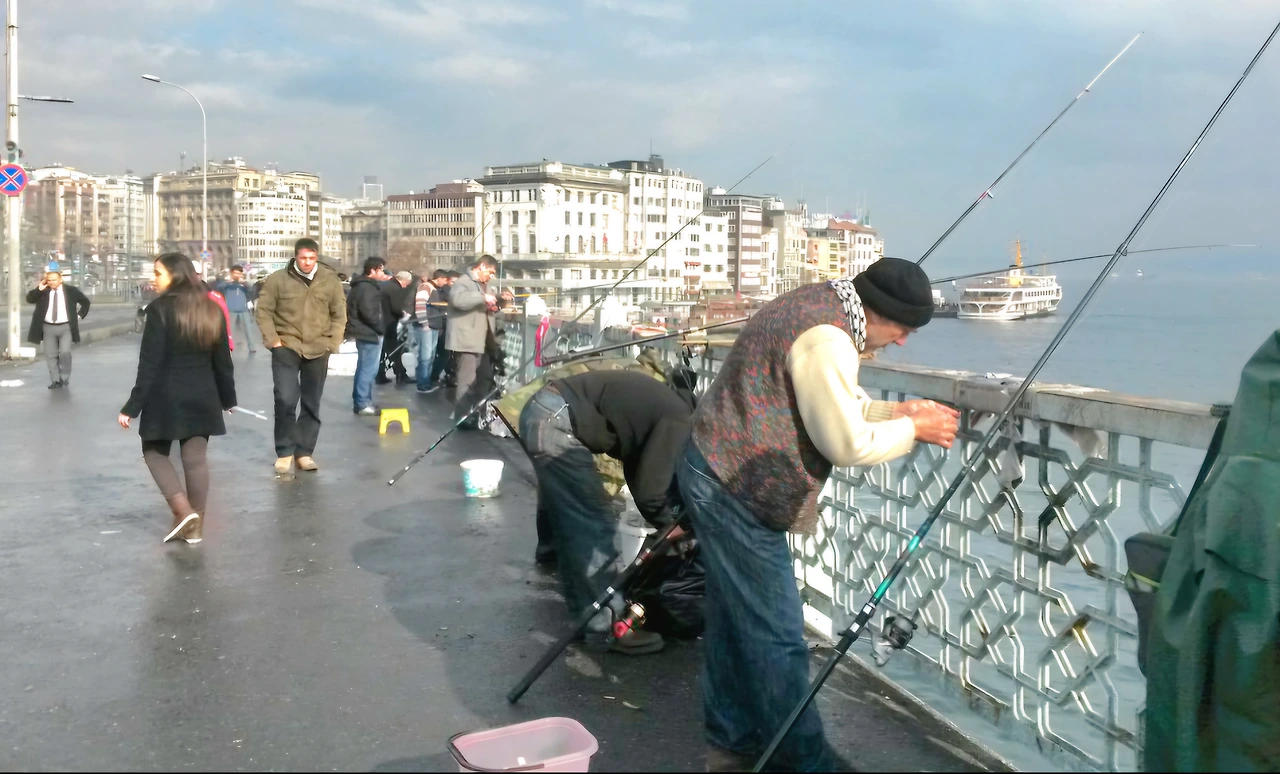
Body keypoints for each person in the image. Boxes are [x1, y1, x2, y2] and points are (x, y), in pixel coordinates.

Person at [675, 258, 960, 772]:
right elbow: (846, 443)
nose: (901, 342)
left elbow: (829, 403)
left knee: (734, 618)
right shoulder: (828, 337)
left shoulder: (820, 304)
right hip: (733, 484)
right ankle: (804, 761)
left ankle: (731, 741)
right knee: (779, 634)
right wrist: (913, 431)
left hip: (714, 465)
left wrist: (896, 412)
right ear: (879, 312)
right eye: (902, 330)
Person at [519, 369, 696, 655]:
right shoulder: (680, 422)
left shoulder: (666, 410)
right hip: (556, 421)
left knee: (569, 506)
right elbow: (651, 492)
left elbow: (641, 474)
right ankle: (607, 627)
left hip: (544, 411)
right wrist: (674, 525)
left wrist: (666, 520)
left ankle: (568, 582)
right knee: (594, 524)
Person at [118, 253, 236, 545]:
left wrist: (132, 406)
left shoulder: (159, 309)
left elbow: (150, 363)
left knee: (154, 452)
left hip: (166, 394)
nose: (154, 279)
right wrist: (227, 398)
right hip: (204, 394)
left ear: (175, 274)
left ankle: (183, 512)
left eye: (158, 273)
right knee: (195, 460)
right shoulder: (211, 308)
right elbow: (223, 360)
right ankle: (195, 527)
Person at [254, 237, 347, 475]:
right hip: (287, 345)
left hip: (319, 347)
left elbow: (339, 314)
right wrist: (273, 340)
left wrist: (332, 343)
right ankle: (284, 452)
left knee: (311, 402)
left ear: (316, 257)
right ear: (295, 257)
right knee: (285, 399)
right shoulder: (278, 280)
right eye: (303, 258)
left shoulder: (330, 280)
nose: (307, 262)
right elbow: (263, 311)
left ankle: (304, 452)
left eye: (311, 258)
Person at [449, 256, 511, 428]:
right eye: (490, 272)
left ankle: (479, 413)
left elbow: (487, 305)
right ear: (481, 266)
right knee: (467, 381)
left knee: (484, 378)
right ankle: (462, 418)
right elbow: (458, 300)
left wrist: (499, 299)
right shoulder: (463, 282)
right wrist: (483, 297)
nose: (491, 276)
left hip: (483, 342)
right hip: (467, 341)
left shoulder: (485, 285)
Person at [26, 270, 91, 389]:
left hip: (66, 327)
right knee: (50, 354)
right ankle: (55, 380)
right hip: (48, 327)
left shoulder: (71, 291)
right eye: (49, 280)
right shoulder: (43, 291)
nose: (51, 282)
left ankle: (64, 377)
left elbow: (85, 302)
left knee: (65, 353)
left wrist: (79, 316)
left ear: (60, 279)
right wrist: (39, 289)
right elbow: (29, 299)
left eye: (54, 280)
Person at [345, 257, 389, 415]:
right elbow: (369, 314)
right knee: (367, 369)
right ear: (372, 270)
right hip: (369, 333)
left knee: (366, 368)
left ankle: (363, 401)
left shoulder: (364, 286)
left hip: (366, 332)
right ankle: (362, 403)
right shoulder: (366, 288)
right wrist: (381, 328)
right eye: (381, 270)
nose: (383, 273)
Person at [377, 270, 416, 386]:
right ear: (403, 280)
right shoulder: (395, 288)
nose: (406, 286)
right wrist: (402, 314)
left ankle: (380, 374)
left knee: (383, 351)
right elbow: (395, 307)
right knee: (394, 350)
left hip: (382, 322)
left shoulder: (386, 286)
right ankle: (401, 374)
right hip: (389, 323)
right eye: (407, 283)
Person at [414, 269, 450, 393]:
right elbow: (420, 305)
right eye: (444, 280)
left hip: (433, 326)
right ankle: (423, 384)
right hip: (427, 326)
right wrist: (424, 323)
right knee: (425, 356)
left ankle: (426, 381)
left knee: (430, 355)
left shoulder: (434, 289)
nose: (445, 283)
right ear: (439, 278)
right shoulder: (426, 287)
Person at [215, 264, 258, 353]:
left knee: (248, 329)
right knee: (229, 330)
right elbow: (219, 287)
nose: (237, 275)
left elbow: (250, 289)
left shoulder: (243, 285)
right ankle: (227, 347)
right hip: (230, 309)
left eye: (239, 273)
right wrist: (228, 281)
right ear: (231, 273)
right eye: (235, 273)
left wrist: (244, 283)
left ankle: (252, 347)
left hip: (243, 309)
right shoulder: (227, 284)